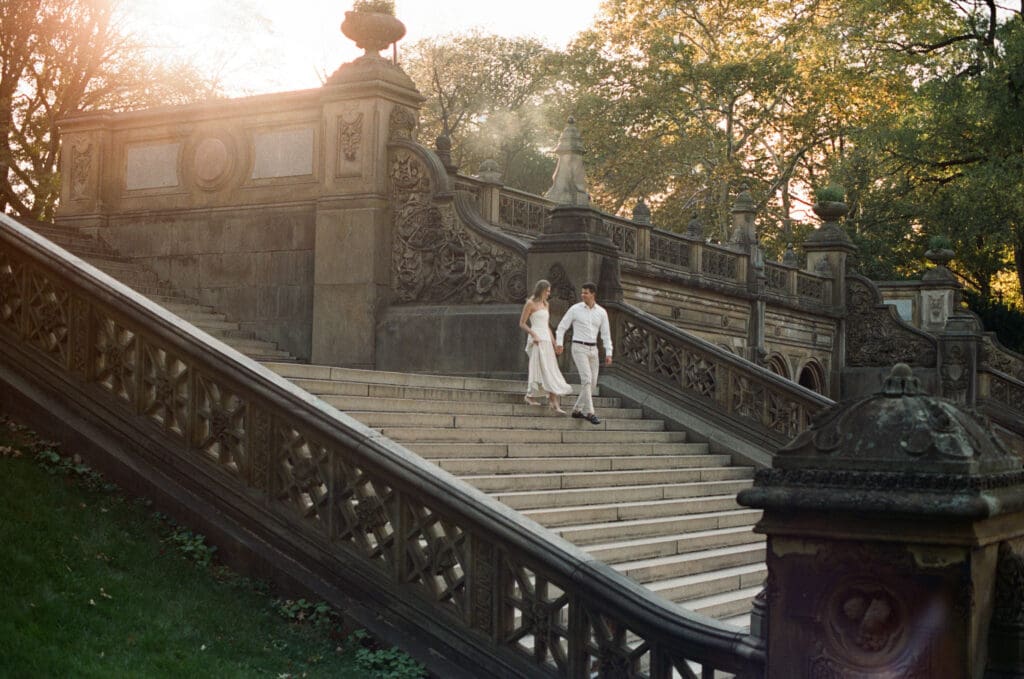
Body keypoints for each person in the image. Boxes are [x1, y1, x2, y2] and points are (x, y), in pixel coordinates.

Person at [555, 282, 612, 425]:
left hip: (593, 350)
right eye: (582, 292)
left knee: (592, 383)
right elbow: (561, 327)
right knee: (586, 379)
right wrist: (560, 343)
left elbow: (606, 334)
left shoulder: (602, 312)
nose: (582, 295)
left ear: (593, 294)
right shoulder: (575, 309)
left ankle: (577, 409)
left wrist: (609, 352)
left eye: (585, 293)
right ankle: (590, 412)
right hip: (578, 347)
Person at [519, 279, 572, 413]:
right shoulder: (530, 303)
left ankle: (553, 401)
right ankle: (531, 396)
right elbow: (522, 323)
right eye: (547, 291)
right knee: (539, 367)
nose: (549, 293)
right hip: (537, 340)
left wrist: (555, 342)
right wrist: (534, 334)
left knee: (550, 369)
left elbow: (547, 326)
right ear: (541, 290)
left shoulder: (546, 304)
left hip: (546, 340)